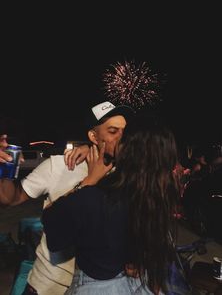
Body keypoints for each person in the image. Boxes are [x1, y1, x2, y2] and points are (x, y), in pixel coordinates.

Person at [0, 101, 135, 295]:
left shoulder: (126, 175)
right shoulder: (60, 165)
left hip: (98, 287)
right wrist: (5, 170)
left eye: (125, 132)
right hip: (48, 286)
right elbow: (9, 199)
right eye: (113, 131)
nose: (122, 138)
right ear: (93, 136)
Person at [42, 114, 181, 295]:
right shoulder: (156, 196)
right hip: (144, 284)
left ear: (126, 150)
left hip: (99, 287)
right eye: (114, 131)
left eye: (122, 136)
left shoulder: (95, 197)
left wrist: (89, 180)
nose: (117, 139)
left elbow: (52, 223)